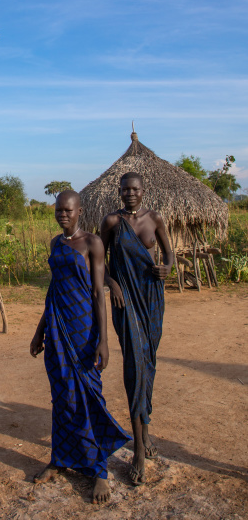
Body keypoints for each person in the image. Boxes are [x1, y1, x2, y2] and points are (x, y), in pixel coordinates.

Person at [30, 190, 130, 504]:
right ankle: (60, 459)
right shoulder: (55, 244)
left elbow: (100, 293)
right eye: (59, 210)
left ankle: (99, 470)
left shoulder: (92, 244)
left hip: (84, 329)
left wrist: (104, 341)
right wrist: (39, 331)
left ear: (79, 211)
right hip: (58, 330)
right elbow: (53, 290)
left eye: (68, 210)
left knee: (89, 397)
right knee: (61, 397)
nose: (63, 215)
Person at [100, 172, 173, 486]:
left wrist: (166, 269)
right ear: (120, 191)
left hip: (152, 300)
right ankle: (139, 448)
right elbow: (97, 262)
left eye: (135, 189)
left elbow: (169, 255)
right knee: (135, 367)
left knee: (148, 364)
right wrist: (112, 283)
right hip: (125, 302)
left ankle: (145, 427)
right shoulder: (111, 222)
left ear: (143, 192)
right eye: (125, 189)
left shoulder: (155, 218)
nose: (130, 193)